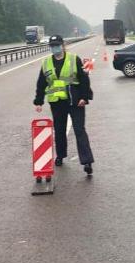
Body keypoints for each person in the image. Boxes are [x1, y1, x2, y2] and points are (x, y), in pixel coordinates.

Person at [33, 35, 94, 175]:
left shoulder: (74, 58)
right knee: (59, 131)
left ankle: (87, 162)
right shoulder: (46, 62)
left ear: (62, 45)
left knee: (79, 130)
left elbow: (84, 79)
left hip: (75, 101)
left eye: (57, 45)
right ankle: (60, 155)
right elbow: (41, 83)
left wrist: (85, 97)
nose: (55, 47)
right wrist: (39, 101)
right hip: (57, 103)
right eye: (52, 45)